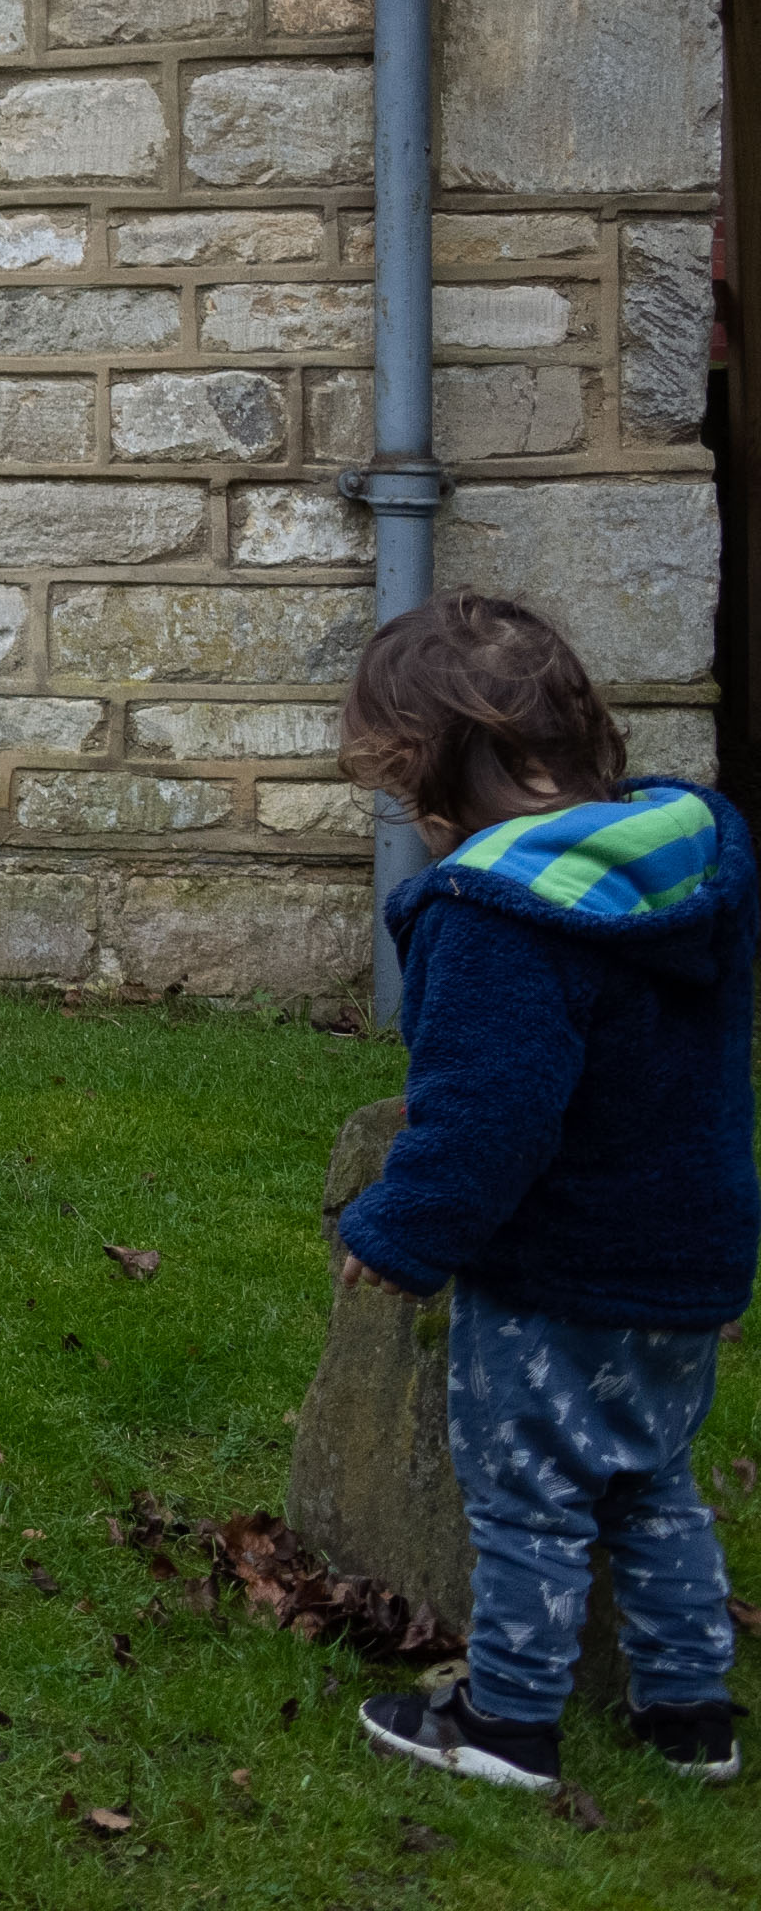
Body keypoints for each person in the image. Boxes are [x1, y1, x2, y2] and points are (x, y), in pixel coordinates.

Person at [329, 590, 755, 1793]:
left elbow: (490, 1114)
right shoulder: (679, 863)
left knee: (529, 1497)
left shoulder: (496, 916)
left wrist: (399, 1230)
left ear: (432, 781)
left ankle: (507, 1721)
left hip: (556, 1267)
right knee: (650, 1481)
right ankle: (689, 1716)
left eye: (401, 790)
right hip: (687, 1252)